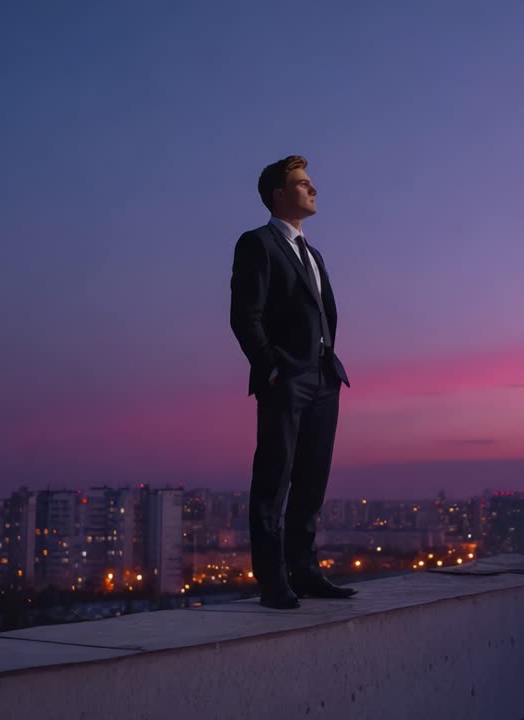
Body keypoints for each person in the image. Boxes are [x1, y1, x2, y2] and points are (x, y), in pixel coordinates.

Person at [229, 155, 355, 609]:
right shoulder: (257, 244)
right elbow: (246, 315)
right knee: (273, 479)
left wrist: (327, 363)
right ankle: (272, 580)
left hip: (324, 376)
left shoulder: (314, 254)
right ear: (278, 195)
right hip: (286, 377)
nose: (313, 189)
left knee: (312, 480)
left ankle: (304, 569)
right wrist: (272, 367)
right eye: (303, 184)